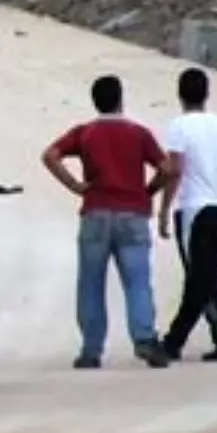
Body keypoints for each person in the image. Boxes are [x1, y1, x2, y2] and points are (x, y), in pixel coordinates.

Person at [41, 75, 173, 370]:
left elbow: (50, 155)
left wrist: (75, 185)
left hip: (96, 213)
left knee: (90, 283)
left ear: (95, 101)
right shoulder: (138, 133)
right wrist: (148, 191)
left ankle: (91, 349)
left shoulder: (85, 133)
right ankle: (144, 339)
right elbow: (167, 168)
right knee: (138, 282)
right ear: (120, 99)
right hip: (133, 215)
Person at [157, 68, 217, 363]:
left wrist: (163, 210)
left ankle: (176, 340)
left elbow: (174, 171)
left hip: (193, 210)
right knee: (207, 277)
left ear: (180, 94)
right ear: (207, 93)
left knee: (199, 279)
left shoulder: (179, 127)